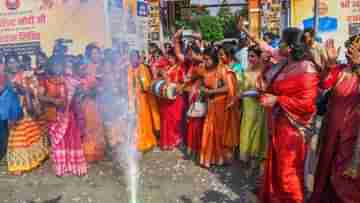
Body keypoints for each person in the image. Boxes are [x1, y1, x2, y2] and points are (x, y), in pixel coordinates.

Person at [254, 28, 319, 203]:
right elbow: (263, 86)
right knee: (277, 170)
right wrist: (264, 64)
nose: (278, 44)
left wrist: (277, 100)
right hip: (278, 125)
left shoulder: (307, 68)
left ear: (290, 47)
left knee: (288, 174)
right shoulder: (284, 63)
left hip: (294, 130)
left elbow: (307, 104)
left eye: (281, 41)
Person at [310, 36, 360, 203]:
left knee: (344, 176)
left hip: (353, 134)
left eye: (356, 51)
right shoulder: (340, 69)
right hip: (332, 129)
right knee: (326, 167)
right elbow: (324, 84)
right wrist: (330, 65)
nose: (349, 54)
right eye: (349, 49)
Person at [42, 56, 87, 177]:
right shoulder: (46, 81)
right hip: (55, 117)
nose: (58, 68)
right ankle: (61, 168)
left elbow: (76, 94)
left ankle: (73, 166)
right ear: (50, 67)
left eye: (60, 65)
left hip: (69, 116)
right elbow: (40, 96)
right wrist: (53, 101)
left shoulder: (69, 80)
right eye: (55, 65)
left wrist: (78, 92)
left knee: (70, 141)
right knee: (59, 143)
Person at [5, 53, 49, 175]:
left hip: (26, 109)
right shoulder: (6, 78)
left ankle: (34, 158)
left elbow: (35, 89)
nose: (13, 65)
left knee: (30, 133)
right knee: (16, 135)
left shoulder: (27, 75)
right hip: (13, 111)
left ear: (19, 63)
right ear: (7, 65)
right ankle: (18, 163)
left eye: (14, 62)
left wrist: (24, 90)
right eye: (10, 62)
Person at [234, 45, 268, 174]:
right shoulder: (246, 71)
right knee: (247, 131)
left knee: (257, 133)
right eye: (249, 56)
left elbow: (263, 91)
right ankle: (248, 160)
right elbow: (240, 89)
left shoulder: (263, 72)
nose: (250, 59)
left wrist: (245, 94)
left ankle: (256, 161)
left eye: (253, 56)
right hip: (247, 107)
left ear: (260, 57)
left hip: (259, 107)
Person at [128, 50, 159, 152]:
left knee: (145, 120)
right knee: (135, 121)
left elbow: (146, 86)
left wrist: (142, 85)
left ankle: (147, 141)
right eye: (131, 57)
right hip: (133, 99)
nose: (133, 59)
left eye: (135, 57)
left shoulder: (143, 68)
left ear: (138, 58)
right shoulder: (129, 69)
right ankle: (137, 141)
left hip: (143, 99)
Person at [80, 44, 106, 162]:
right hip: (89, 102)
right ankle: (90, 153)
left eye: (98, 53)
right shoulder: (85, 68)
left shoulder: (102, 67)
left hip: (102, 101)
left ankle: (100, 151)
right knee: (90, 126)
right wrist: (92, 89)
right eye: (94, 53)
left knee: (100, 126)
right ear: (89, 55)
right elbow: (82, 85)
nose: (97, 56)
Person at [0, 71, 22, 160]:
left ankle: (4, 153)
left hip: (10, 107)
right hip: (4, 108)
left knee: (6, 132)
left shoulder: (7, 76)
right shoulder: (6, 76)